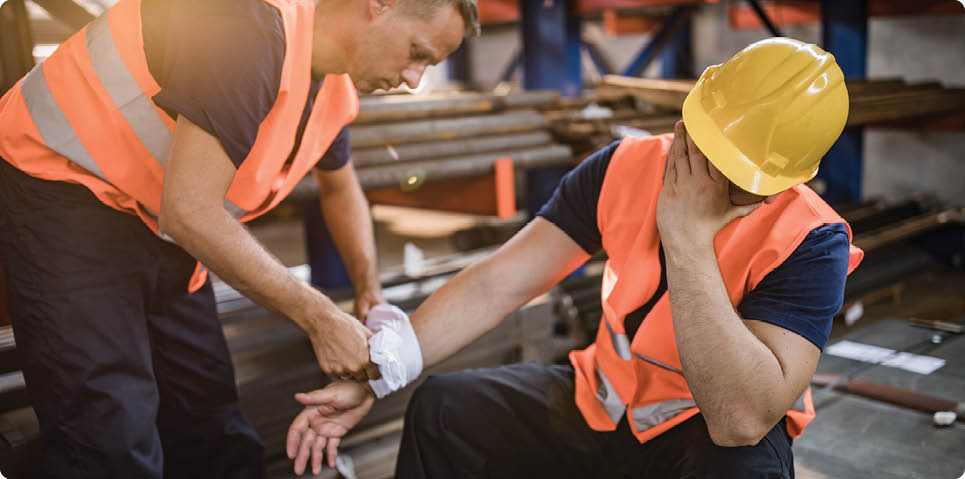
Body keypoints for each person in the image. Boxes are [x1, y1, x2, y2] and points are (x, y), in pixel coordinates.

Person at [285, 37, 864, 478]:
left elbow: (741, 420)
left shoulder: (809, 240)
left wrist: (686, 239)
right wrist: (381, 372)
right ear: (691, 117)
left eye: (740, 177)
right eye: (705, 149)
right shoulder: (623, 167)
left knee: (745, 469)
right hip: (601, 403)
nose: (711, 177)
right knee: (442, 410)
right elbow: (499, 283)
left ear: (782, 182)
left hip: (700, 435)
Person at [0, 0, 478, 476]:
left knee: (210, 423)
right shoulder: (247, 26)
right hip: (63, 190)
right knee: (108, 436)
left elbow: (339, 183)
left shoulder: (330, 80)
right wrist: (320, 319)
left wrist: (368, 291)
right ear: (379, 5)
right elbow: (189, 212)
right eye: (417, 52)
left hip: (157, 221)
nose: (415, 79)